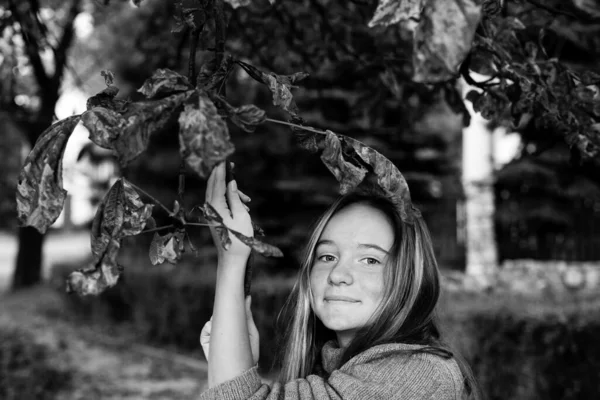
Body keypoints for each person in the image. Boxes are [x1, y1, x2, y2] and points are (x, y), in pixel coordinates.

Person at [199, 161, 480, 399]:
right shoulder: (332, 370)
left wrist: (232, 260)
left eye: (370, 260)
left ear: (409, 280)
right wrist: (236, 357)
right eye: (327, 257)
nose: (338, 275)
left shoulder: (420, 373)